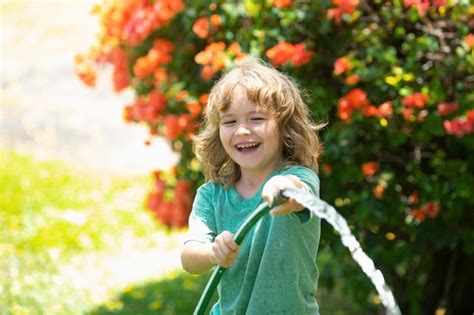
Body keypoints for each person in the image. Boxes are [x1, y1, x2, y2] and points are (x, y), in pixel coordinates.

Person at [181, 57, 325, 314]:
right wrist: (212, 253)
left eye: (256, 119)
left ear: (284, 127)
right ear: (218, 132)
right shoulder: (212, 195)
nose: (242, 131)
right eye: (230, 122)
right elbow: (189, 258)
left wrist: (282, 187)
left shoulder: (300, 177)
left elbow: (297, 193)